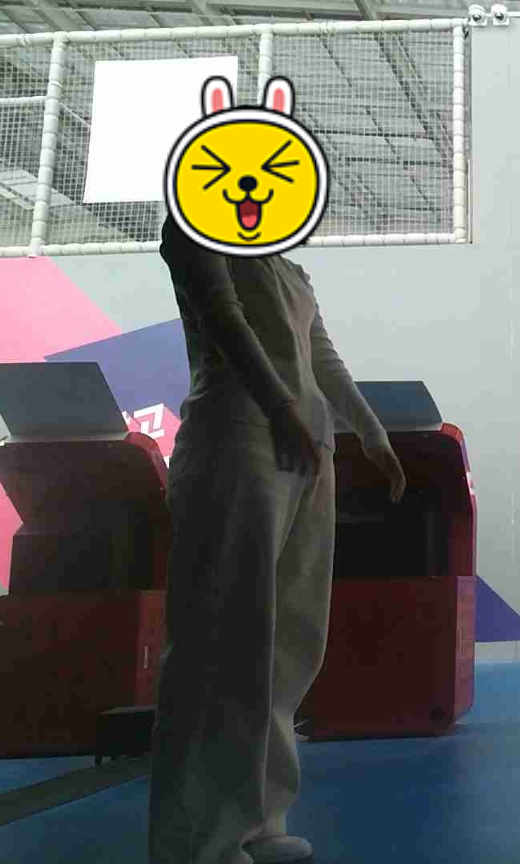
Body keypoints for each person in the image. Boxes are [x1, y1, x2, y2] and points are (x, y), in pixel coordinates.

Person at [150, 215, 408, 864]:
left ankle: (260, 819)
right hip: (237, 437)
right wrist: (280, 408)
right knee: (222, 643)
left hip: (307, 448)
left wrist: (370, 432)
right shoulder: (192, 233)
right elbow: (224, 321)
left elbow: (321, 358)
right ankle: (199, 842)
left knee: (289, 644)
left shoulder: (290, 269)